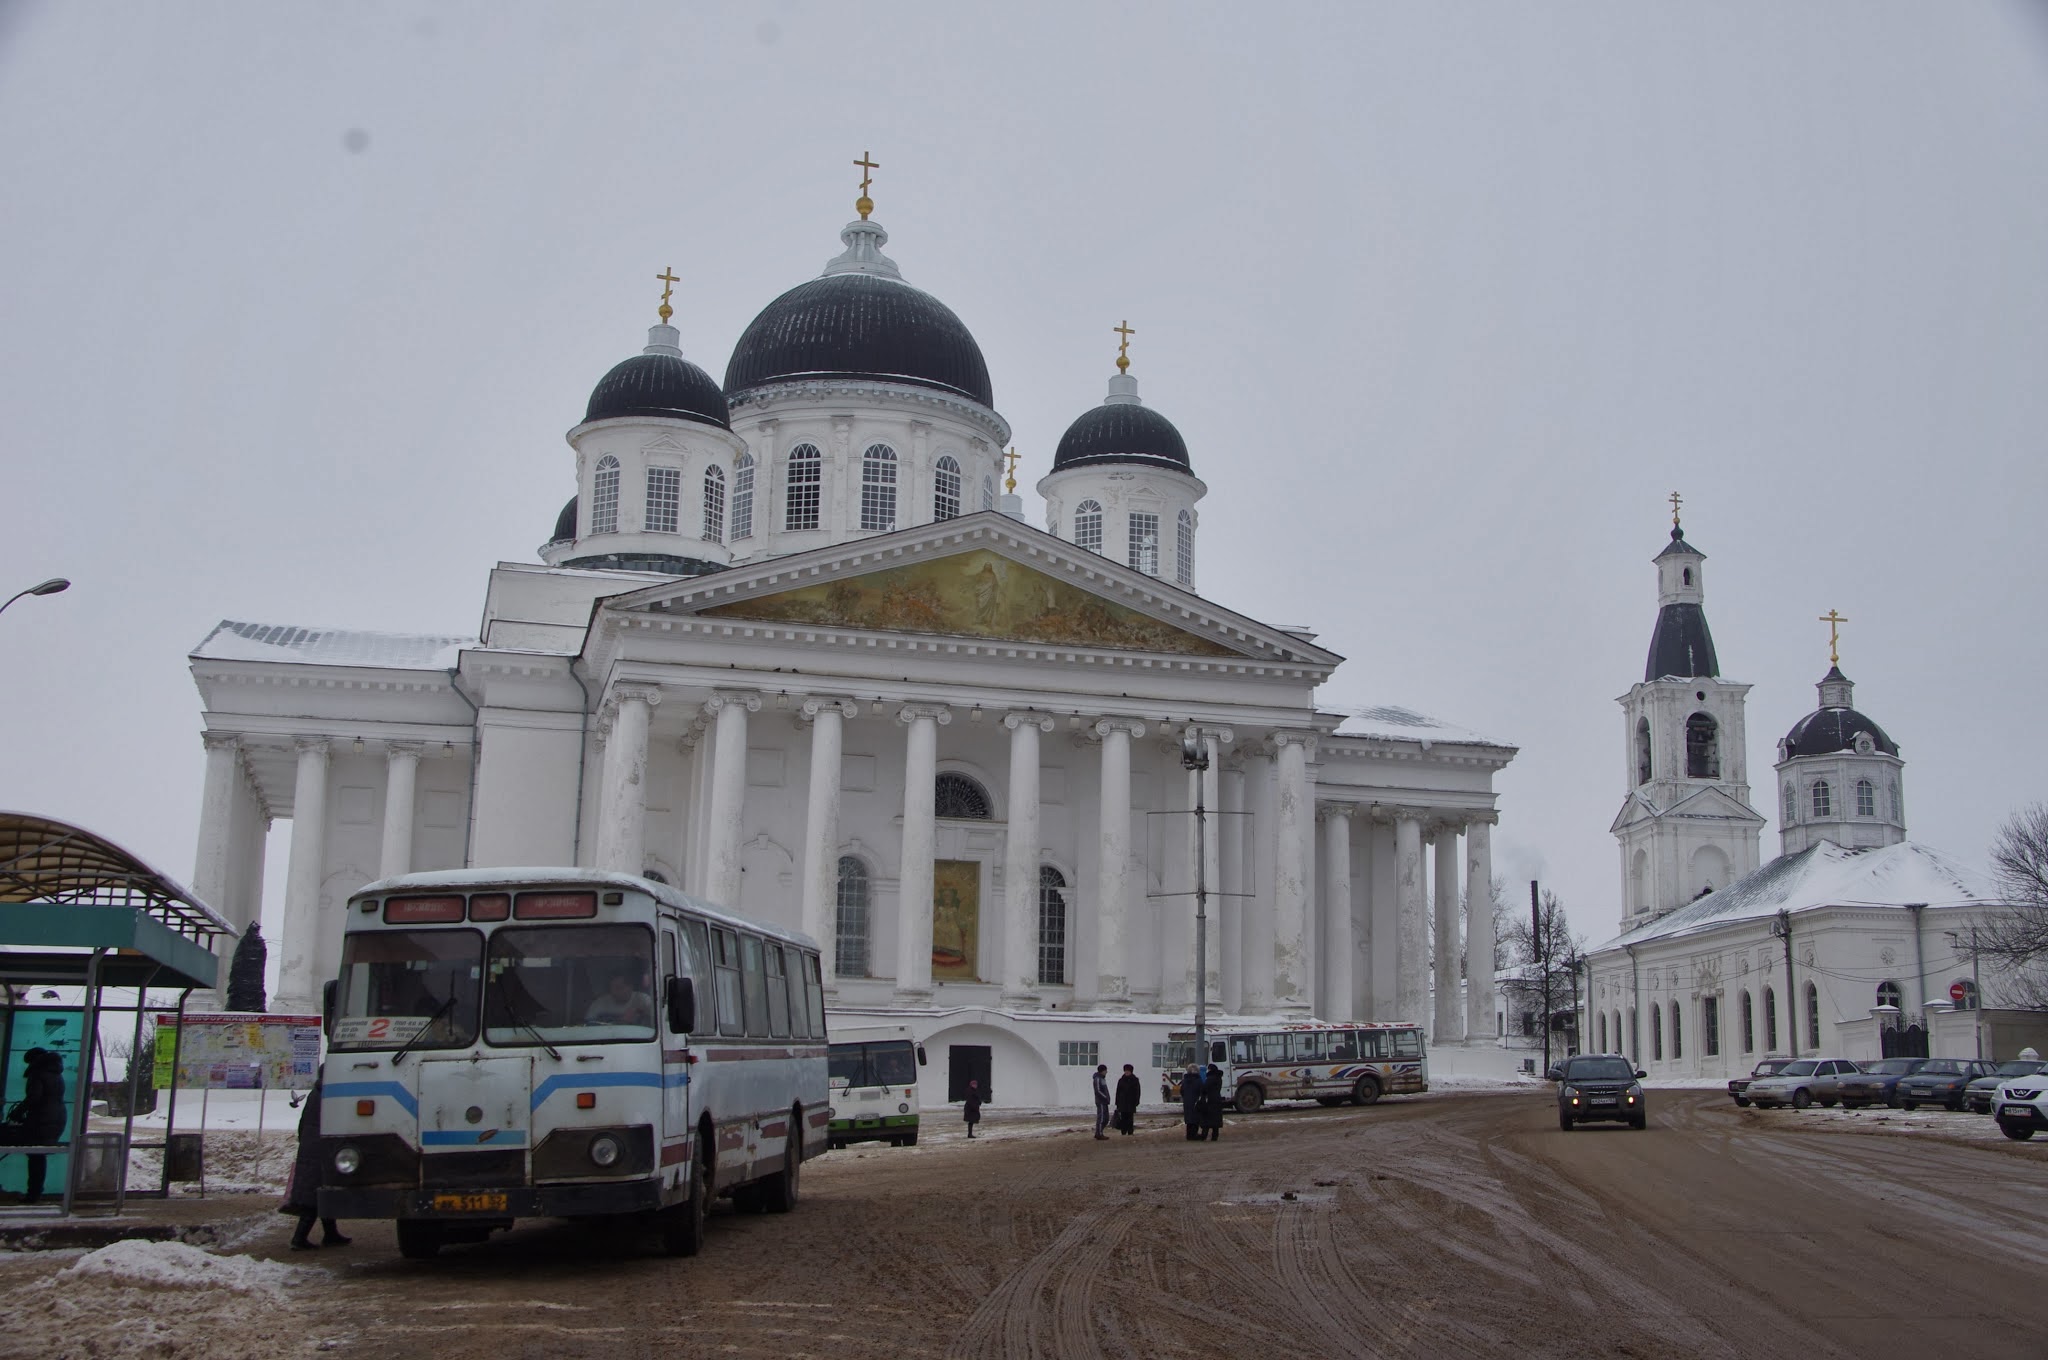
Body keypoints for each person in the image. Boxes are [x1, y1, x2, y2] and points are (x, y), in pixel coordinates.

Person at [281, 1070, 349, 1250]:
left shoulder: (315, 1093)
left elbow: (302, 1125)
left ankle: (331, 1234)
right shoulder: (327, 1096)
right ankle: (299, 1239)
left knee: (320, 1191)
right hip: (319, 1150)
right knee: (313, 1195)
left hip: (310, 1147)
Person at [7, 1049, 67, 1204]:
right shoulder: (56, 1073)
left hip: (42, 1119)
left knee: (35, 1156)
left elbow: (34, 1098)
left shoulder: (38, 1074)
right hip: (57, 1117)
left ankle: (33, 1195)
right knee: (38, 1156)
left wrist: (17, 1113)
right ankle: (35, 1193)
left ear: (34, 1060)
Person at [584, 971, 654, 1026]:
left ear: (631, 987)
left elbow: (656, 1019)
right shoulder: (599, 1003)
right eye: (614, 988)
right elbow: (588, 1026)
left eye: (620, 987)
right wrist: (622, 1021)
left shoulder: (642, 1000)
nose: (618, 992)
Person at [1114, 1063, 1141, 1136]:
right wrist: (1117, 1102)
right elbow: (1118, 1092)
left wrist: (1136, 1101)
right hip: (1122, 1102)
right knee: (1123, 1118)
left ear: (1131, 1071)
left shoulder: (1135, 1080)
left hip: (1131, 1102)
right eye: (1125, 1071)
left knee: (1130, 1118)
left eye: (1128, 1071)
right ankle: (1123, 1131)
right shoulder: (1121, 1080)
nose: (1126, 1072)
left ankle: (1130, 1132)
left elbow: (1137, 1091)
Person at [1200, 1062, 1226, 1141]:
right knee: (1216, 1119)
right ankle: (1215, 1136)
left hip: (1210, 1100)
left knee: (1207, 1118)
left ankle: (1204, 1135)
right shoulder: (1219, 1078)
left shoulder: (1210, 1078)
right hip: (1217, 1099)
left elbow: (1204, 1088)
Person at [1180, 1063, 1202, 1141]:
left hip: (1186, 1102)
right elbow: (1201, 1091)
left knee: (1188, 1119)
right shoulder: (1198, 1080)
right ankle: (1194, 1135)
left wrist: (1185, 1097)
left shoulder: (1185, 1080)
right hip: (1195, 1101)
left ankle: (1189, 1135)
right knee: (1195, 1119)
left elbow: (1181, 1091)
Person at [1091, 1064, 1111, 1139]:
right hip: (1101, 1101)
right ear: (1102, 1071)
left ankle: (1099, 1132)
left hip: (1105, 1101)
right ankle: (1099, 1133)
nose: (1106, 1072)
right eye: (1105, 1070)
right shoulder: (1098, 1079)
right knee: (1102, 1117)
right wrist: (1105, 1097)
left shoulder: (1102, 1079)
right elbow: (1098, 1090)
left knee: (1106, 1118)